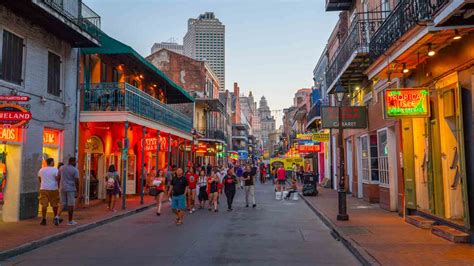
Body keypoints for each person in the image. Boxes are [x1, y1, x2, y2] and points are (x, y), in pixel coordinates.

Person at [38, 158, 61, 226]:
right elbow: (57, 178)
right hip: (53, 188)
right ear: (51, 162)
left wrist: (43, 183)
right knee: (54, 204)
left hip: (43, 188)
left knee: (44, 205)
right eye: (53, 162)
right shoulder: (55, 170)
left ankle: (44, 218)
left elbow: (39, 179)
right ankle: (55, 218)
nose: (54, 163)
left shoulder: (41, 170)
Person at [57, 157, 79, 226]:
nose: (76, 163)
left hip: (62, 188)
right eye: (75, 162)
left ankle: (57, 216)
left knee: (62, 203)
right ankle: (70, 221)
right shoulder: (75, 170)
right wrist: (77, 191)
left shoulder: (61, 168)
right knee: (70, 205)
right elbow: (77, 181)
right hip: (71, 189)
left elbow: (58, 177)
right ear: (72, 161)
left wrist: (59, 186)